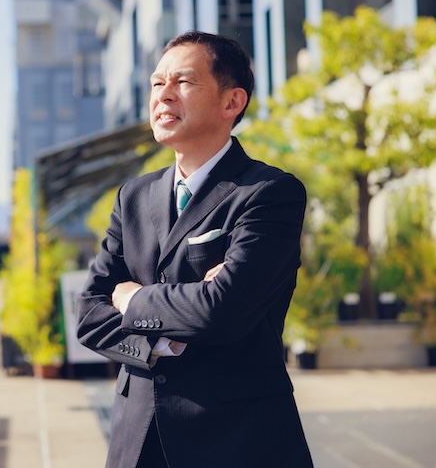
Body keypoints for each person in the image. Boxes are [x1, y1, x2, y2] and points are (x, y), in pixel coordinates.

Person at [76, 31, 313, 468]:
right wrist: (159, 346)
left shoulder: (268, 192)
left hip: (238, 438)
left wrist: (133, 299)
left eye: (182, 83)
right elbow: (90, 315)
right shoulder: (133, 196)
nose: (163, 95)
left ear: (231, 102)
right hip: (137, 439)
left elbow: (221, 310)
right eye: (156, 83)